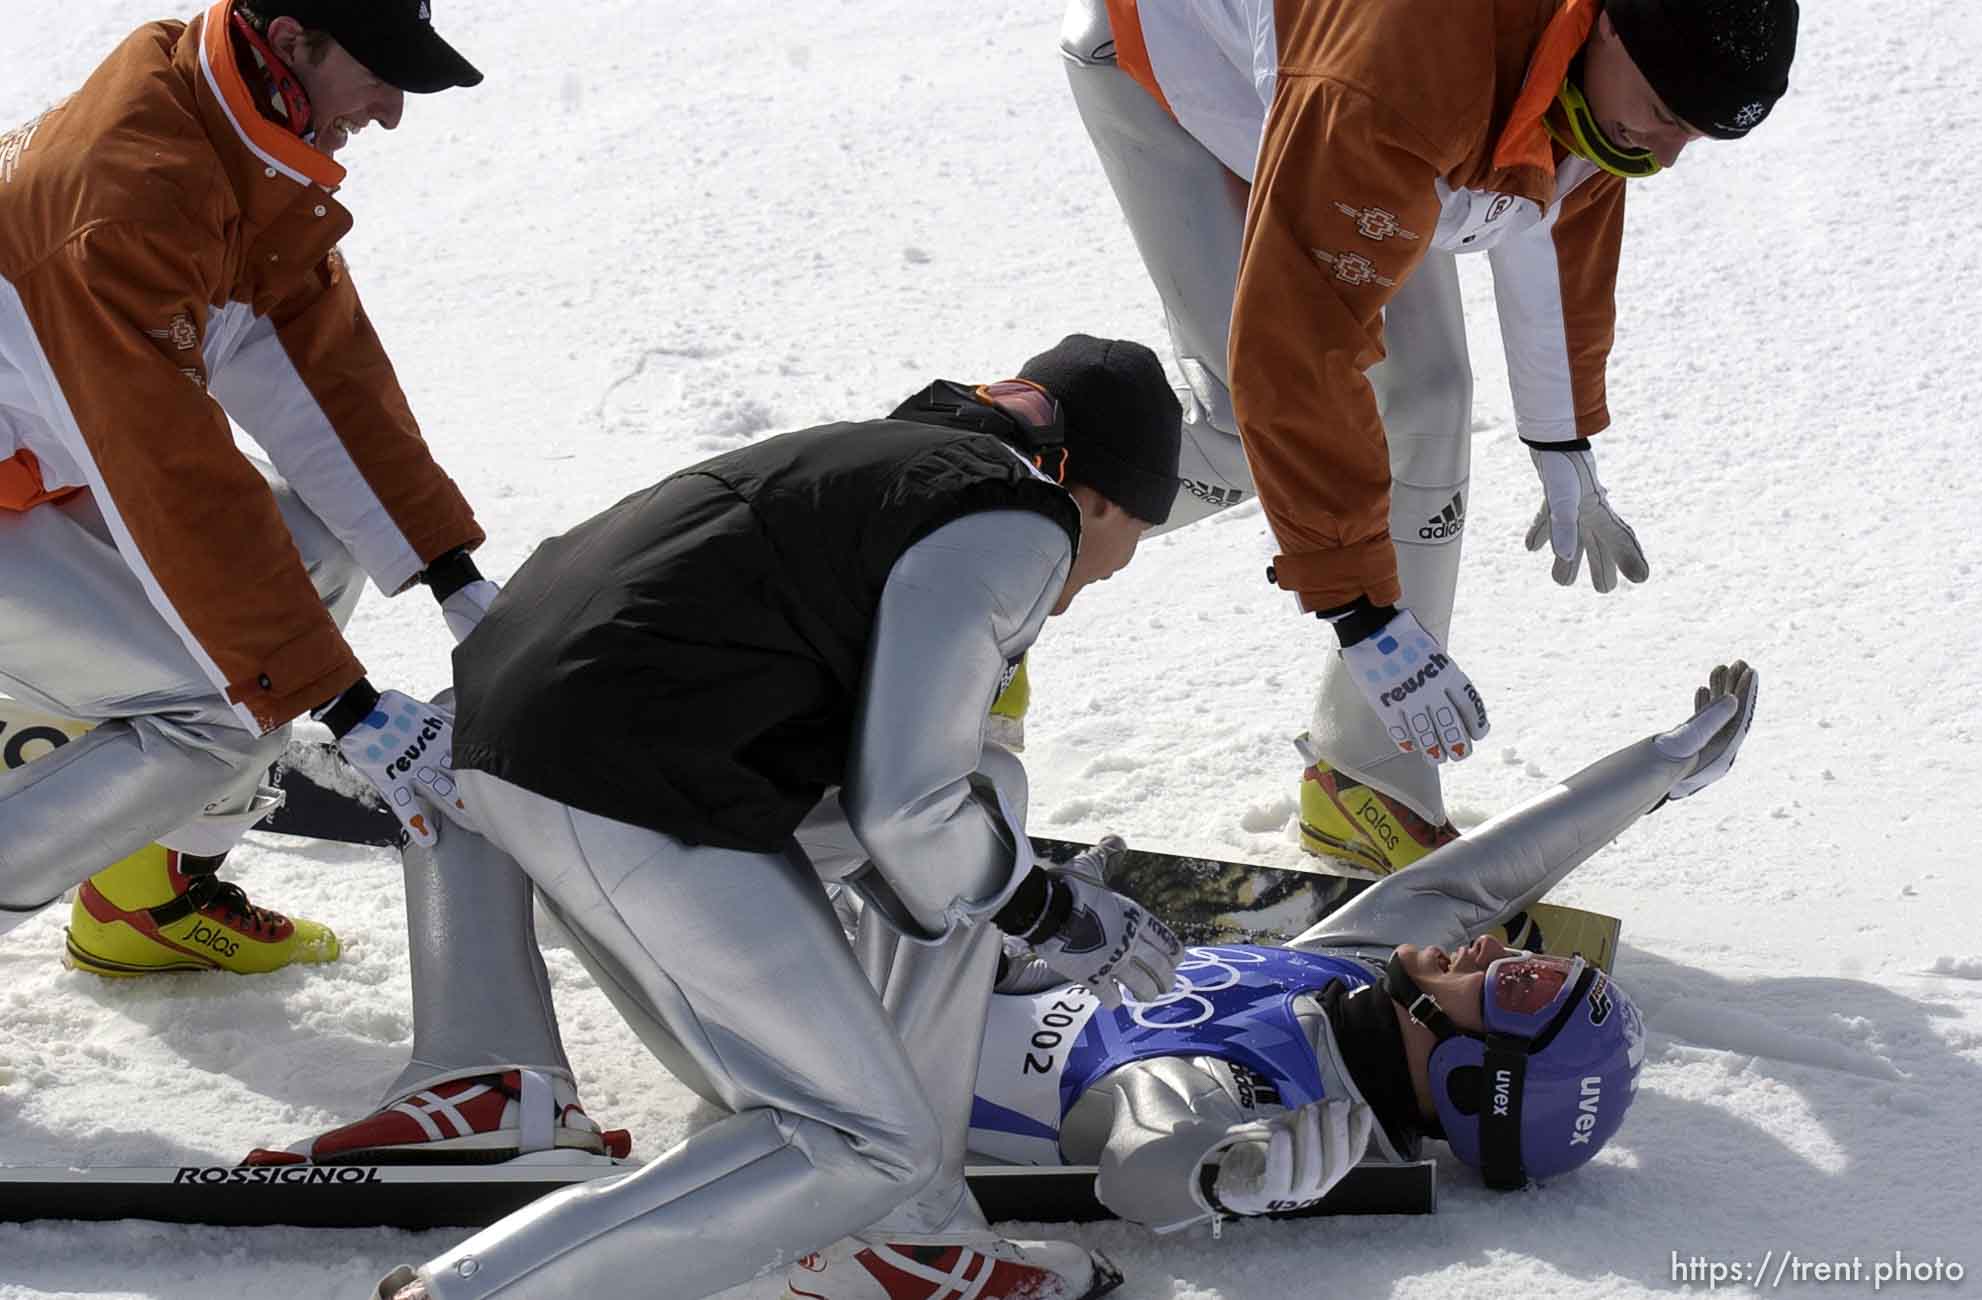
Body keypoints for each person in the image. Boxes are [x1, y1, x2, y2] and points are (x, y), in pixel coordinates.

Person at [245, 335, 1189, 1300]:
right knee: (864, 1138)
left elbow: (917, 794)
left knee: (990, 786)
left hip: (527, 748)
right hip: (617, 781)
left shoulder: (889, 463)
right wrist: (1054, 916)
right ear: (1107, 495)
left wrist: (1002, 884)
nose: (1093, 582)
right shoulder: (1022, 521)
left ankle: (913, 1234)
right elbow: (909, 810)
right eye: (1134, 539)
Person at [1053, 0, 1797, 874]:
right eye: (1669, 116)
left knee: (1432, 399)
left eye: (1697, 137)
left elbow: (1552, 206)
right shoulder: (1404, 78)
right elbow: (1294, 353)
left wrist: (1562, 441)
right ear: (1605, 28)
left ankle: (1371, 776)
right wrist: (1362, 613)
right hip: (1168, 63)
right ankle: (971, 535)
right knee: (1249, 430)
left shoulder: (1609, 75)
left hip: (1338, 104)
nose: (1666, 154)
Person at [0, 0, 499, 977]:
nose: (392, 110)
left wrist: (463, 590)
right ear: (286, 42)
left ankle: (146, 892)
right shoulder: (122, 203)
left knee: (310, 552)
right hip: (42, 479)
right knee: (221, 706)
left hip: (35, 470)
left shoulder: (232, 143)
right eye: (380, 68)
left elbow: (329, 388)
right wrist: (347, 706)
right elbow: (172, 486)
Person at [966, 663, 1756, 1229]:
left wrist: (1223, 1175)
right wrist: (1660, 769)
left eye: (1517, 987)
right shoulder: (1347, 988)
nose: (1493, 952)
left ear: (1477, 1082)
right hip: (975, 954)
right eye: (1530, 963)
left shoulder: (1279, 1099)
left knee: (981, 785)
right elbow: (1477, 881)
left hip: (885, 1022)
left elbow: (1143, 1159)